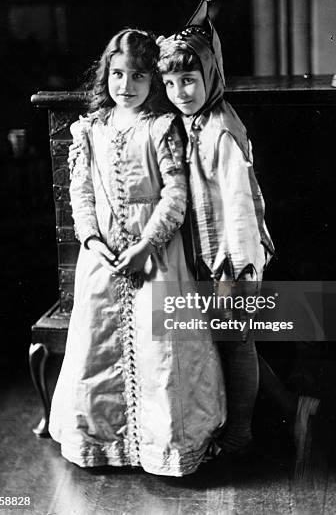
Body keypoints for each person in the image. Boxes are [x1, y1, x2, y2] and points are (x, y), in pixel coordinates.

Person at [49, 28, 226, 476]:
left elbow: (175, 196)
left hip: (157, 258)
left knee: (161, 354)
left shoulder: (162, 128)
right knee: (96, 348)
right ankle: (104, 444)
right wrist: (91, 240)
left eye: (139, 76)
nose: (126, 86)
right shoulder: (90, 129)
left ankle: (162, 448)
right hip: (103, 257)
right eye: (118, 74)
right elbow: (81, 192)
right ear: (105, 74)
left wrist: (148, 245)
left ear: (152, 81)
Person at [157, 0, 276, 458]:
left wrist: (239, 273)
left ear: (211, 77)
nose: (179, 91)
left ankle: (241, 432)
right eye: (169, 83)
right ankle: (295, 406)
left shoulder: (222, 127)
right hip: (204, 256)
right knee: (231, 340)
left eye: (188, 80)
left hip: (232, 257)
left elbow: (241, 204)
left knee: (236, 340)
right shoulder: (192, 121)